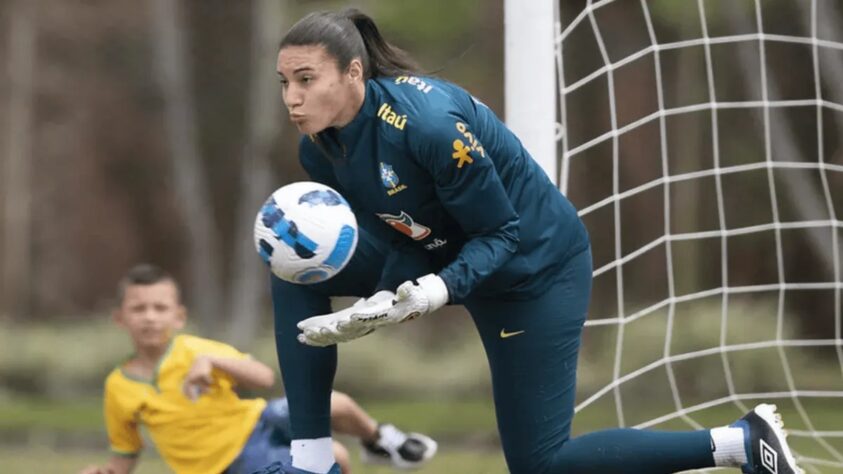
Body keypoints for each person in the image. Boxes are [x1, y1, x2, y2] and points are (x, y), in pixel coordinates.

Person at [260, 8, 804, 474]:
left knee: (540, 464)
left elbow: (500, 234)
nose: (292, 97)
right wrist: (382, 292)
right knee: (294, 261)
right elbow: (390, 230)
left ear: (353, 72)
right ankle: (311, 460)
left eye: (306, 80)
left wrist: (430, 291)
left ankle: (740, 442)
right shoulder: (319, 150)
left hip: (532, 271)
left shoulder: (428, 127)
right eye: (285, 82)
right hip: (443, 257)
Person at [79, 263, 437, 474]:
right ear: (120, 318)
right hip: (231, 461)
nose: (150, 317)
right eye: (139, 309)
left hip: (259, 419)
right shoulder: (118, 386)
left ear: (178, 316)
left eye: (159, 307)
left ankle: (380, 441)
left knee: (333, 403)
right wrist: (106, 471)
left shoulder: (196, 349)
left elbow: (264, 377)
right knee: (337, 458)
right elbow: (125, 452)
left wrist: (215, 362)